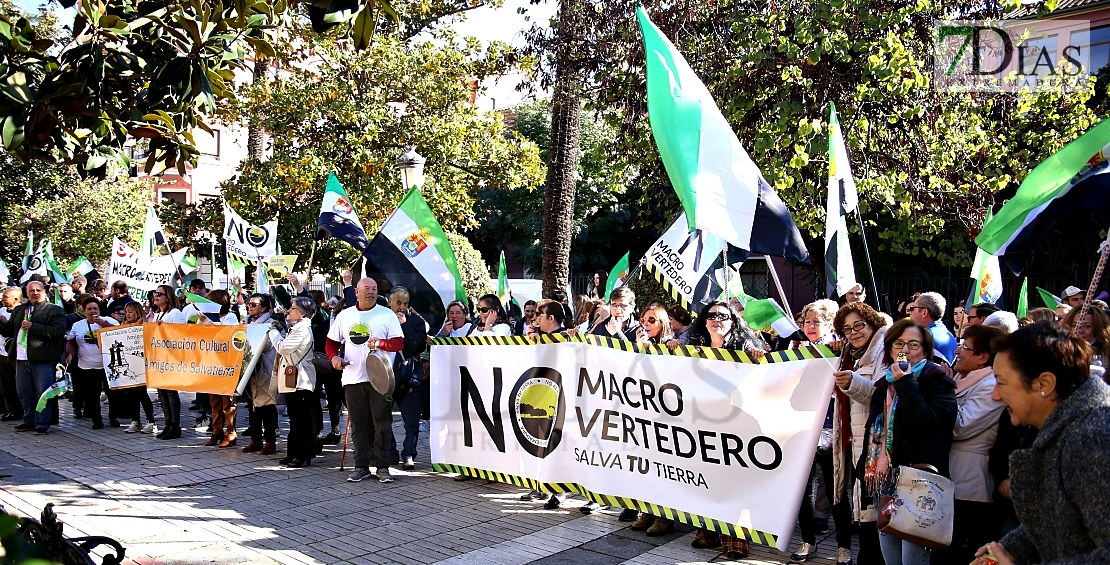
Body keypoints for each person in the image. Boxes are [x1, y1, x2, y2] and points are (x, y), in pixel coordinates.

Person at [972, 323, 1110, 565]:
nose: (995, 395)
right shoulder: (1071, 426)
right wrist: (1008, 548)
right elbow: (1062, 518)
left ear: (1044, 384)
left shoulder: (1093, 439)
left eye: (1001, 382)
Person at [860, 318, 957, 565]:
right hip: (887, 482)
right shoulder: (885, 384)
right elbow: (876, 430)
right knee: (891, 557)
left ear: (925, 350)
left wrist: (906, 383)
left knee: (912, 559)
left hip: (918, 484)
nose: (904, 350)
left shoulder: (938, 381)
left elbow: (924, 423)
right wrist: (865, 466)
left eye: (913, 344)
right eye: (898, 344)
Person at [685, 300, 763, 557]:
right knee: (705, 481)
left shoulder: (745, 349)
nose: (716, 319)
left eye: (723, 316)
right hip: (701, 424)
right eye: (711, 315)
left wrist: (758, 358)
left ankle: (735, 539)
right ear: (704, 321)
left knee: (732, 482)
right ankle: (707, 532)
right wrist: (673, 350)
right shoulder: (693, 351)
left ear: (733, 322)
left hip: (735, 426)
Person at [931, 324, 1005, 565]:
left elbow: (960, 426)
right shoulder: (963, 379)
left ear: (983, 357)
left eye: (964, 347)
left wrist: (944, 392)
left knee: (964, 553)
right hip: (950, 478)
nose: (958, 351)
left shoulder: (990, 386)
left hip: (971, 486)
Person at [790, 299, 852, 564]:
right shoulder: (795, 349)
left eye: (817, 322)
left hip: (831, 430)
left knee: (836, 491)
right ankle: (808, 541)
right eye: (807, 321)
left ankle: (844, 546)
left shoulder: (842, 350)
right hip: (802, 428)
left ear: (830, 324)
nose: (811, 326)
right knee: (801, 491)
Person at [328, 278, 404, 484]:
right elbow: (331, 342)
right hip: (352, 377)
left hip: (380, 378)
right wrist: (334, 358)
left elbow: (398, 342)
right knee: (358, 425)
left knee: (382, 424)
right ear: (357, 291)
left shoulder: (386, 314)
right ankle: (361, 466)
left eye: (374, 289)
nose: (370, 292)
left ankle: (383, 467)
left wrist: (381, 343)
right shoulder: (345, 316)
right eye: (366, 289)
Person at [830, 302, 890, 565]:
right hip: (853, 441)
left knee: (874, 512)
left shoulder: (885, 351)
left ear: (872, 322)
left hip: (875, 446)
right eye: (846, 329)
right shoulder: (847, 353)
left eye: (858, 325)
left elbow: (883, 396)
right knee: (863, 510)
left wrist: (853, 382)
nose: (853, 333)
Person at [1, 281, 66, 435]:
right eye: (31, 291)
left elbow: (58, 331)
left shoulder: (54, 310)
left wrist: (33, 326)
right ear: (26, 293)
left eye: (38, 290)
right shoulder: (20, 309)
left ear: (44, 291)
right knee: (24, 393)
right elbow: (9, 330)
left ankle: (42, 424)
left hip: (42, 358)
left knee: (43, 393)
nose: (35, 293)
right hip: (21, 358)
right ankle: (28, 421)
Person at [270, 296, 317, 467]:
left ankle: (303, 454)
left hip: (300, 380)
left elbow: (283, 347)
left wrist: (273, 332)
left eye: (293, 308)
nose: (289, 310)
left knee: (301, 420)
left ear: (303, 313)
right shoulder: (296, 328)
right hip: (293, 379)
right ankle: (293, 453)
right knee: (294, 419)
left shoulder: (302, 329)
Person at [64, 295, 119, 429]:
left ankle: (113, 417)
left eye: (95, 308)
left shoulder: (109, 320)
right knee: (92, 396)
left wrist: (101, 323)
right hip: (87, 366)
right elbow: (71, 342)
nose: (92, 311)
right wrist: (70, 354)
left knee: (113, 394)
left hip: (108, 366)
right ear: (83, 310)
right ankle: (97, 420)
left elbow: (118, 333)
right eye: (89, 309)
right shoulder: (78, 325)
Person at [387, 287, 427, 471]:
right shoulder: (382, 320)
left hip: (408, 379)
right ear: (390, 302)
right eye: (398, 303)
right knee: (383, 419)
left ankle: (409, 454)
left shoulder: (417, 322)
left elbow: (417, 346)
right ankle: (390, 452)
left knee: (411, 421)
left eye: (405, 303)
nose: (402, 307)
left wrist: (404, 325)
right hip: (386, 378)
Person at [198, 289, 240, 447]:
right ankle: (217, 431)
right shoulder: (207, 317)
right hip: (211, 362)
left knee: (227, 401)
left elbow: (224, 334)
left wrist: (207, 321)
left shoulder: (230, 317)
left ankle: (231, 432)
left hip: (226, 363)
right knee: (214, 400)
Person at [241, 293, 280, 455]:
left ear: (264, 307)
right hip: (249, 370)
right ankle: (255, 439)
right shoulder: (245, 323)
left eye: (254, 304)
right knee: (252, 406)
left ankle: (270, 441)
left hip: (265, 368)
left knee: (267, 406)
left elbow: (270, 344)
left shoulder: (273, 324)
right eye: (248, 304)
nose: (250, 307)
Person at [148, 284, 186, 439]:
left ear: (168, 297)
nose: (155, 296)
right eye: (155, 293)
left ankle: (176, 425)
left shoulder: (175, 313)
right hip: (158, 357)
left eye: (159, 294)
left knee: (170, 392)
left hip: (171, 356)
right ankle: (168, 422)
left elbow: (181, 333)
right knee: (162, 392)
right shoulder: (157, 314)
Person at [120, 302, 157, 435]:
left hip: (141, 364)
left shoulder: (143, 325)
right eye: (126, 312)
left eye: (130, 312)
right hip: (128, 365)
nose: (127, 314)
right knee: (130, 395)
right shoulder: (123, 326)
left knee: (142, 394)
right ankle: (136, 421)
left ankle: (151, 422)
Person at [909, 291, 956, 365]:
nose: (910, 312)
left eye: (912, 308)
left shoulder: (924, 337)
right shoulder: (947, 334)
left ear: (924, 312)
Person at [0, 287, 25, 421]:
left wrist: (3, 323)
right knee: (6, 384)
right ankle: (12, 410)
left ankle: (24, 410)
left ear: (16, 299)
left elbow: (9, 331)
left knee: (20, 384)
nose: (2, 299)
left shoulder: (22, 312)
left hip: (17, 354)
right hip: (2, 354)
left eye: (5, 297)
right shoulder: (1, 310)